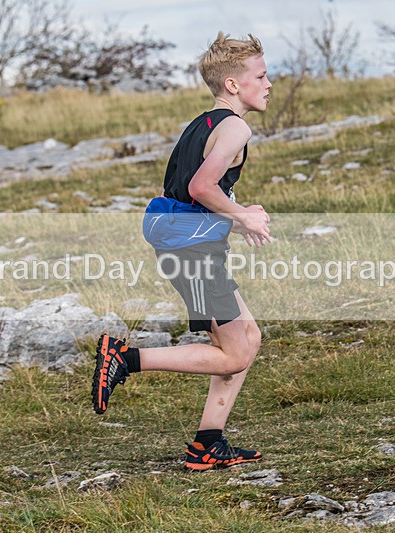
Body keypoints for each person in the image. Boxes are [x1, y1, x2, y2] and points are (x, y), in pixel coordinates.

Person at [91, 32, 273, 471]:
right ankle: (125, 358)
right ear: (233, 84)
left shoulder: (204, 122)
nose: (269, 84)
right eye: (261, 76)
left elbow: (187, 191)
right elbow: (200, 187)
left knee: (248, 337)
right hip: (192, 249)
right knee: (235, 352)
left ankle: (208, 443)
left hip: (186, 239)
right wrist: (244, 216)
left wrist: (233, 215)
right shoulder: (235, 126)